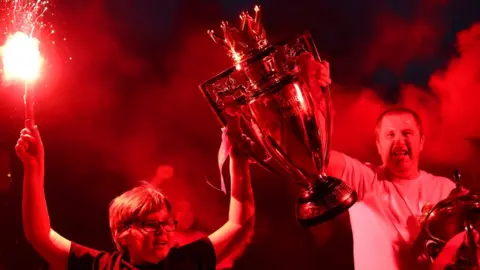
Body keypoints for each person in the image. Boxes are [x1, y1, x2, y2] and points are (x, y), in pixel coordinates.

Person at [16, 117, 255, 270]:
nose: (163, 232)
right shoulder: (102, 267)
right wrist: (33, 167)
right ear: (122, 233)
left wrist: (237, 160)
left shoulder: (186, 262)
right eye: (151, 225)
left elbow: (239, 223)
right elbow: (40, 235)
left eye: (166, 223)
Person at [302, 54, 460, 269]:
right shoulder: (366, 181)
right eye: (390, 135)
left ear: (421, 142)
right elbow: (317, 158)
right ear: (378, 145)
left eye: (407, 133)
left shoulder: (446, 189)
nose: (399, 141)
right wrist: (314, 94)